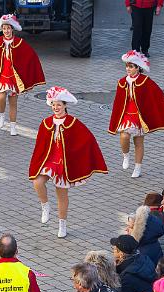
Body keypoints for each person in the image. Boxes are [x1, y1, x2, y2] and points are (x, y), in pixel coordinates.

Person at [29, 86, 108, 238]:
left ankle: (62, 223)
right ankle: (45, 206)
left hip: (64, 163)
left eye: (59, 104)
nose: (56, 107)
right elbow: (40, 146)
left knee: (61, 194)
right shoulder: (45, 123)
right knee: (37, 182)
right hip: (49, 160)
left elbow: (87, 139)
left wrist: (78, 155)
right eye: (53, 104)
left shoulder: (73, 122)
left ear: (65, 105)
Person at [108, 51, 164, 178]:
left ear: (138, 68)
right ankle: (125, 155)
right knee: (124, 137)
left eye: (131, 66)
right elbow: (118, 102)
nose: (128, 69)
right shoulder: (122, 82)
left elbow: (157, 95)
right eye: (127, 66)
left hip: (139, 116)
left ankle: (138, 167)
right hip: (126, 115)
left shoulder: (145, 81)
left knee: (138, 142)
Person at [0, 14, 45, 136]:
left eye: (9, 28)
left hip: (14, 78)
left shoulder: (20, 43)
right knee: (0, 97)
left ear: (13, 29)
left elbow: (31, 57)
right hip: (1, 77)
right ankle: (1, 116)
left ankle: (13, 126)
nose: (7, 31)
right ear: (2, 29)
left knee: (13, 103)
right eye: (4, 28)